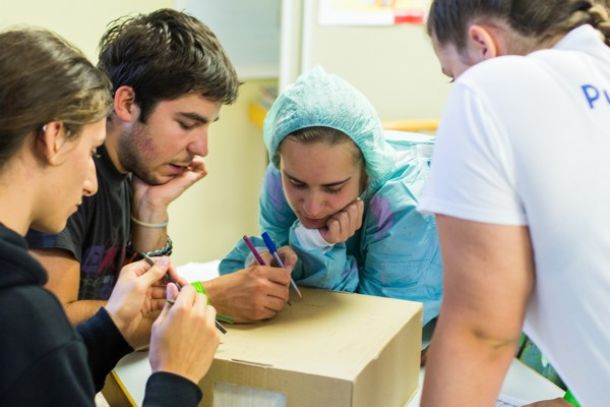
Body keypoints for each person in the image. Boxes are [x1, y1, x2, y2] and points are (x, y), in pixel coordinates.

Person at [27, 9, 292, 328]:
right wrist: (205, 295)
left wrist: (152, 208)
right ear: (126, 103)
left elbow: (146, 293)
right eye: (186, 123)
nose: (201, 148)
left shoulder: (133, 172)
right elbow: (51, 323)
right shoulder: (73, 177)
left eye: (207, 127)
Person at [0, 28, 219, 406]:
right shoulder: (22, 315)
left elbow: (43, 380)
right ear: (54, 138)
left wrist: (113, 327)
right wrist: (175, 377)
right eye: (90, 151)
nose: (90, 182)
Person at [418, 1, 610, 406]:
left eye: (452, 75)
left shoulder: (490, 88)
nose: (458, 86)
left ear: (482, 45)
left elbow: (482, 333)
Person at [220, 66, 442, 330]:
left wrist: (316, 247)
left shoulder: (403, 204)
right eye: (297, 183)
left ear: (366, 172)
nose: (312, 207)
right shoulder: (280, 175)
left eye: (334, 188)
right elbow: (288, 277)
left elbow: (378, 326)